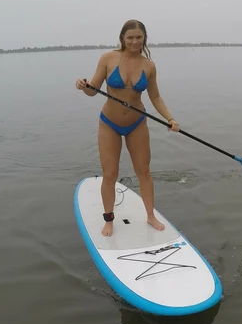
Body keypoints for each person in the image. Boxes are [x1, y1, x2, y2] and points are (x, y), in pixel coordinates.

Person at [76, 20, 180, 237]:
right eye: (130, 37)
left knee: (144, 171)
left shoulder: (149, 66)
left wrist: (170, 118)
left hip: (137, 124)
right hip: (109, 124)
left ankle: (150, 216)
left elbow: (155, 96)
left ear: (144, 38)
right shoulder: (108, 59)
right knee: (110, 173)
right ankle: (108, 219)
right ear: (122, 38)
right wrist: (83, 86)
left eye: (139, 37)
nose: (134, 41)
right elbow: (93, 91)